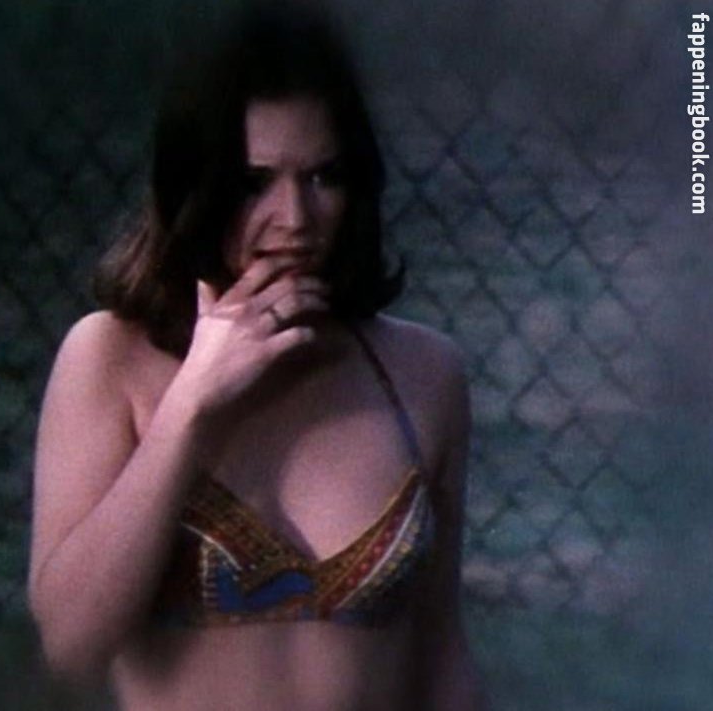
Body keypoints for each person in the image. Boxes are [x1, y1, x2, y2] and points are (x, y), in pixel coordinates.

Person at [28, 2, 484, 708]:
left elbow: (441, 657)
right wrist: (191, 406)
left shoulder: (425, 372)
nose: (295, 219)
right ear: (194, 185)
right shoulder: (109, 358)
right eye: (254, 183)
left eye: (323, 177)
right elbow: (70, 646)